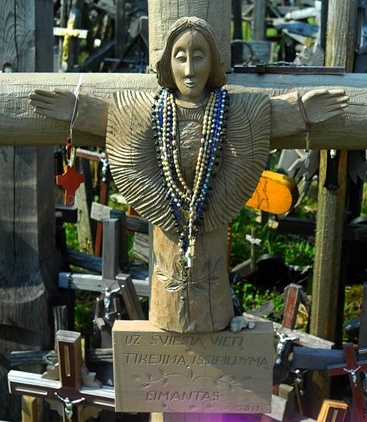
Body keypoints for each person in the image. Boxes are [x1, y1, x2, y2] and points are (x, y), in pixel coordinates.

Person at [30, 16, 347, 333]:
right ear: (167, 64)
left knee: (211, 282)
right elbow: (113, 116)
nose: (190, 70)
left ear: (213, 62)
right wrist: (77, 110)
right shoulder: (149, 109)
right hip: (166, 234)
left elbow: (269, 116)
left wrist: (302, 111)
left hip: (212, 240)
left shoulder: (232, 110)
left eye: (199, 57)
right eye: (180, 57)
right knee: (167, 281)